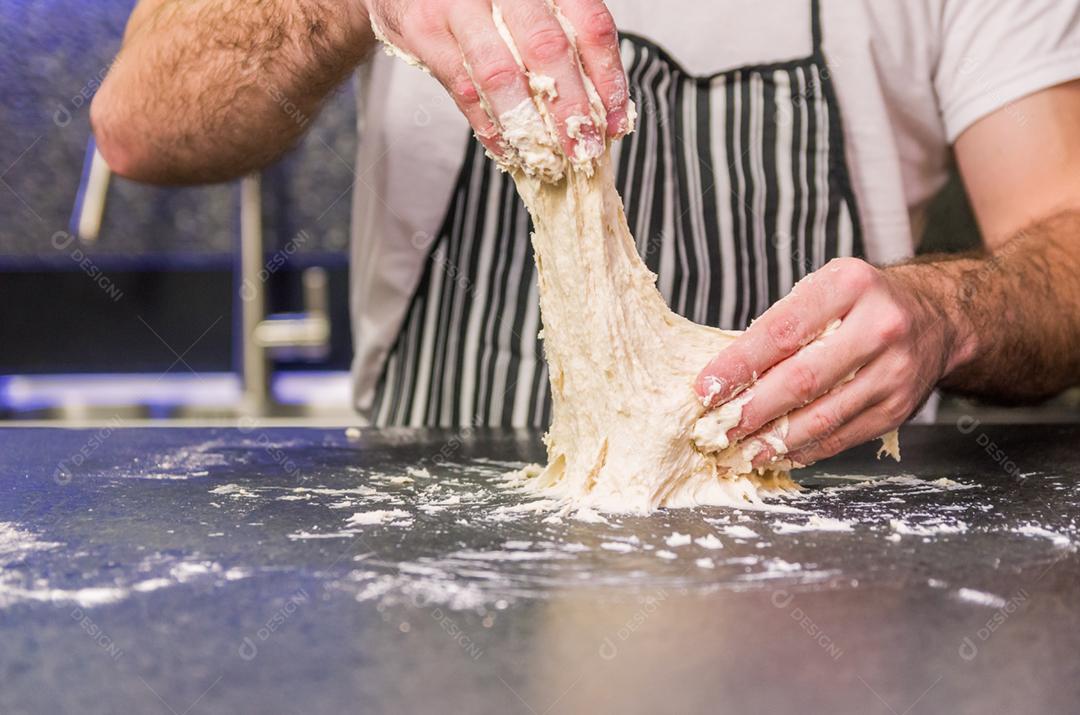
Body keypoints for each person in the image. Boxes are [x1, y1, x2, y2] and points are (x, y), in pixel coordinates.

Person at [91, 0, 1080, 468]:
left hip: (825, 551)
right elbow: (138, 122)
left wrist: (951, 312)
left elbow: (1064, 240)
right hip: (438, 546)